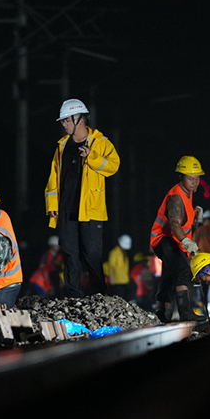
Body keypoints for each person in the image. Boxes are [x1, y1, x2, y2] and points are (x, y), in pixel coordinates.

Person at [45, 98, 120, 298]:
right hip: (67, 210)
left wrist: (92, 157)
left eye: (66, 120)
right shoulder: (62, 146)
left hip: (91, 210)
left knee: (92, 255)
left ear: (79, 119)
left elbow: (114, 166)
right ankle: (74, 295)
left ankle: (98, 295)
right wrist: (52, 205)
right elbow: (53, 178)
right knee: (70, 255)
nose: (63, 124)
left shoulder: (101, 143)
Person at [149, 155, 205, 322]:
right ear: (181, 177)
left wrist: (194, 211)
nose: (194, 182)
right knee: (182, 271)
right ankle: (185, 312)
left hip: (171, 240)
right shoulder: (176, 196)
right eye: (190, 178)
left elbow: (183, 216)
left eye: (197, 178)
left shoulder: (186, 193)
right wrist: (186, 241)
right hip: (165, 240)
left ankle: (162, 312)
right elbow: (174, 223)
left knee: (169, 274)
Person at [107, 234, 133, 302]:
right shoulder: (115, 252)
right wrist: (111, 278)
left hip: (124, 280)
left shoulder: (124, 253)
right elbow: (111, 266)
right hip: (117, 281)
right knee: (118, 299)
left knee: (125, 299)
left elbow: (125, 268)